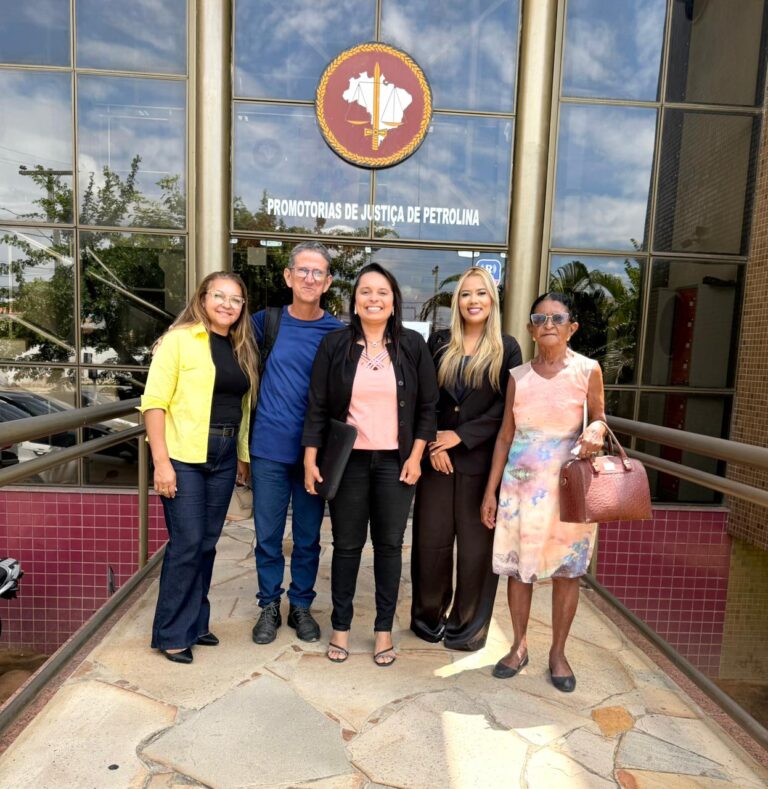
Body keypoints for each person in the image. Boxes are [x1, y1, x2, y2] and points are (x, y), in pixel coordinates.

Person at [303, 263, 438, 666]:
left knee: (389, 547)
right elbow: (317, 406)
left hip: (396, 462)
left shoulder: (412, 345)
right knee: (346, 546)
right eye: (365, 291)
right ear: (355, 300)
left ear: (394, 301)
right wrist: (311, 459)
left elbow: (428, 407)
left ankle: (383, 631)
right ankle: (341, 627)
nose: (373, 299)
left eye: (382, 292)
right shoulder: (335, 344)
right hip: (348, 462)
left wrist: (416, 456)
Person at [481, 292, 606, 691]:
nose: (548, 324)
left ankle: (558, 653)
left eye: (557, 318)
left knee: (567, 573)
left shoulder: (588, 370)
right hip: (520, 489)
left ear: (572, 327)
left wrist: (596, 428)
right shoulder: (518, 376)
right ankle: (518, 646)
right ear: (531, 329)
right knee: (520, 571)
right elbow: (505, 436)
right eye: (540, 318)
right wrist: (490, 492)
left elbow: (600, 418)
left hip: (568, 490)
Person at [141, 272, 258, 664]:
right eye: (219, 296)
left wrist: (241, 456)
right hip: (184, 456)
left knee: (207, 543)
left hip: (224, 455)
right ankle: (172, 633)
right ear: (203, 298)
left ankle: (196, 622)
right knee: (187, 542)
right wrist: (161, 463)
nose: (227, 304)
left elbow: (240, 408)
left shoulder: (240, 346)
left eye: (236, 299)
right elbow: (154, 403)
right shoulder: (178, 340)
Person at [410, 266, 522, 651]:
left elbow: (506, 408)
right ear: (457, 301)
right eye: (466, 294)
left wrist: (460, 437)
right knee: (431, 546)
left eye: (481, 293)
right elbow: (423, 399)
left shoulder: (507, 348)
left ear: (493, 300)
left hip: (479, 464)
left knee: (476, 553)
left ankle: (468, 628)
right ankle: (428, 619)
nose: (473, 300)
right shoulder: (439, 342)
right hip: (436, 464)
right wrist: (432, 443)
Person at [250, 241, 343, 645]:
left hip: (314, 455)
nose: (309, 278)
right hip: (268, 448)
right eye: (302, 270)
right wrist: (174, 334)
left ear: (328, 282)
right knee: (268, 535)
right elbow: (218, 335)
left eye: (317, 272)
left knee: (307, 537)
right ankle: (269, 605)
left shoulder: (338, 332)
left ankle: (301, 604)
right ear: (288, 277)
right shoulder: (265, 322)